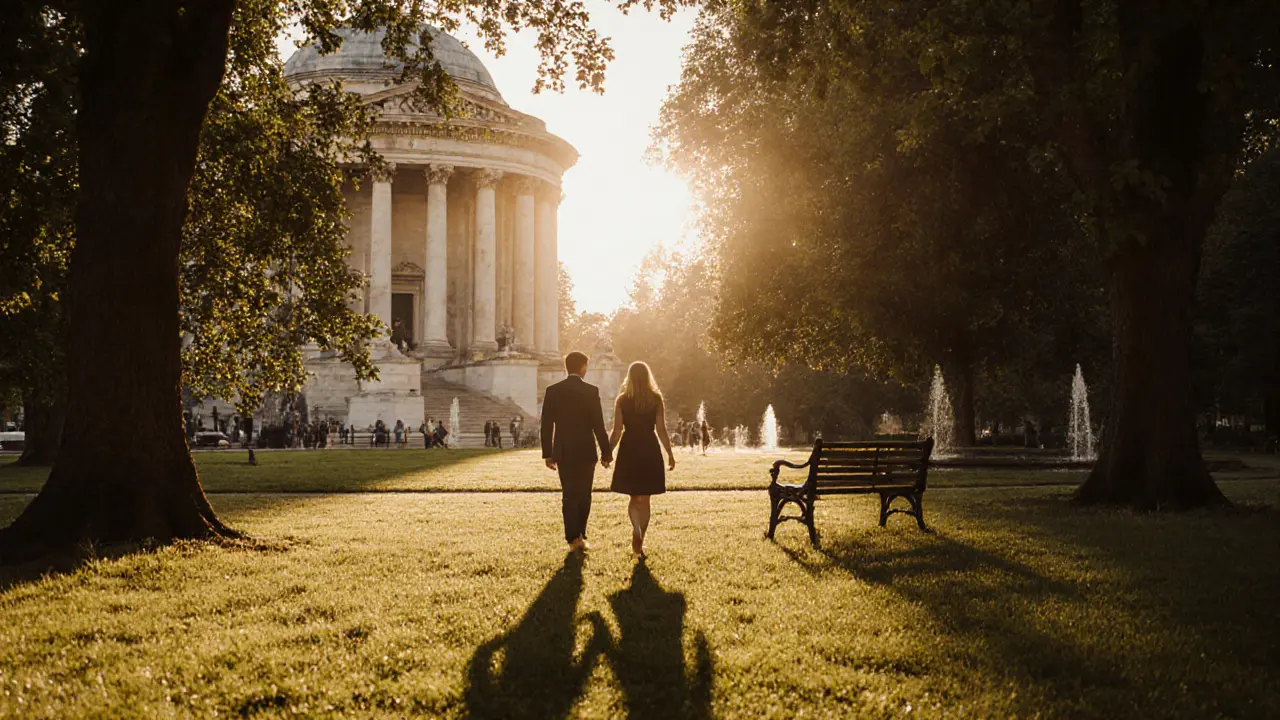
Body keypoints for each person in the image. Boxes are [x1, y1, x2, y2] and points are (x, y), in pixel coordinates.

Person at [541, 351, 612, 552]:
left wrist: (548, 453)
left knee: (569, 494)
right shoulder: (591, 391)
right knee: (584, 494)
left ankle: (572, 537)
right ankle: (581, 533)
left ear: (566, 367)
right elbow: (598, 425)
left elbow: (546, 425)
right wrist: (606, 452)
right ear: (582, 367)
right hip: (586, 449)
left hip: (563, 449)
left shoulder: (553, 391)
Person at [608, 361, 676, 557]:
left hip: (629, 447)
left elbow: (617, 430)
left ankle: (635, 528)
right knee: (645, 498)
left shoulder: (622, 400)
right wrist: (670, 454)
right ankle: (640, 539)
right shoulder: (656, 399)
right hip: (649, 447)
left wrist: (608, 451)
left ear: (629, 377)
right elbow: (661, 429)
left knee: (633, 496)